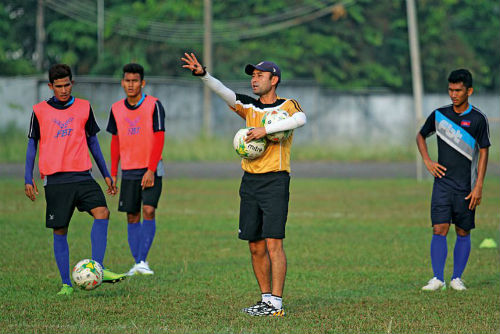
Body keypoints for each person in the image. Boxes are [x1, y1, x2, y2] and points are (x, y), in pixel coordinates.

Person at [181, 53, 307, 316]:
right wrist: (203, 74)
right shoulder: (249, 107)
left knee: (274, 243)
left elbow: (300, 120)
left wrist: (266, 130)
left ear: (274, 80)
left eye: (260, 75)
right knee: (255, 244)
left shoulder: (287, 106)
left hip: (275, 180)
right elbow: (225, 93)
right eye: (252, 76)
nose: (254, 80)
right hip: (249, 181)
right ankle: (265, 299)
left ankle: (277, 304)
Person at [24, 64, 127, 295]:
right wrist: (27, 177)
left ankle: (98, 267)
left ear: (72, 83)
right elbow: (32, 144)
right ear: (51, 86)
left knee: (103, 212)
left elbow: (93, 142)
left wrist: (107, 173)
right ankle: (66, 285)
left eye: (67, 85)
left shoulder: (84, 107)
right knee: (60, 230)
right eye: (58, 86)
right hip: (55, 180)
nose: (63, 90)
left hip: (83, 175)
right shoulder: (39, 110)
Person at [416, 69, 490, 291]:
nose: (453, 94)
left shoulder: (478, 119)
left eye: (458, 90)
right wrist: (428, 161)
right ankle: (438, 278)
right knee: (439, 228)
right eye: (450, 90)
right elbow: (421, 135)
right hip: (442, 184)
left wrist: (479, 185)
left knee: (462, 231)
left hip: (467, 186)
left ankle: (457, 278)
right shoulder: (439, 115)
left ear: (469, 91)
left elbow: (484, 151)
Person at [106, 63, 165, 276]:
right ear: (123, 83)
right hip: (128, 170)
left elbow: (159, 138)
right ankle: (138, 262)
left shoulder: (154, 105)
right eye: (127, 81)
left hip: (151, 169)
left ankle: (142, 262)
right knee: (132, 216)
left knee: (148, 210)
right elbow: (115, 142)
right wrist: (113, 173)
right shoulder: (116, 109)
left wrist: (150, 169)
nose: (131, 85)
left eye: (135, 81)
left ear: (142, 83)